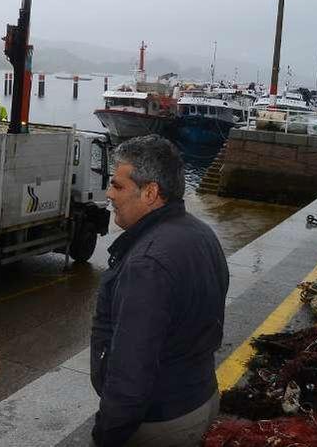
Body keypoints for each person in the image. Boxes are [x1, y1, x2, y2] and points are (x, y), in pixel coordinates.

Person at [90, 135, 229, 447]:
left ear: (150, 192)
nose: (109, 194)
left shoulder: (147, 264)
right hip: (199, 397)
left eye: (118, 186)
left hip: (161, 421)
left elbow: (131, 371)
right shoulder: (199, 233)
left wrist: (106, 434)